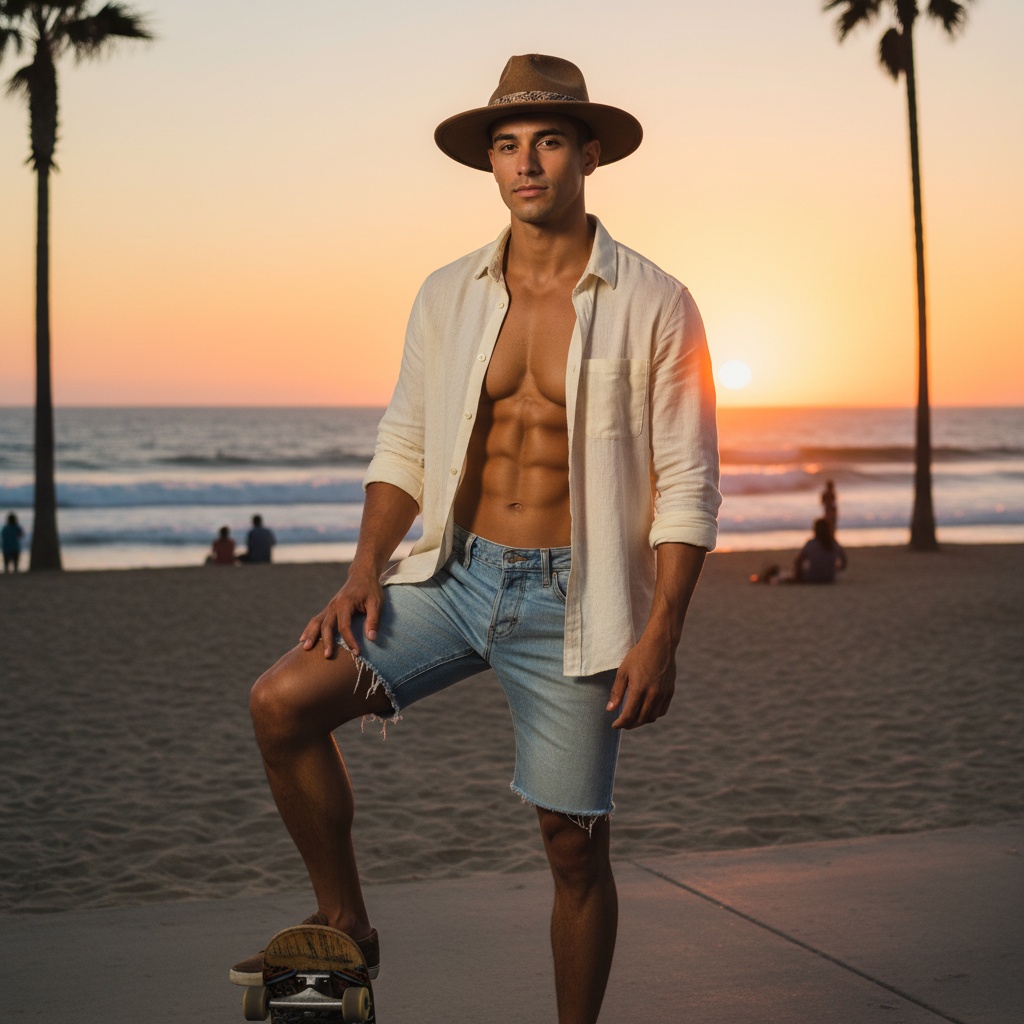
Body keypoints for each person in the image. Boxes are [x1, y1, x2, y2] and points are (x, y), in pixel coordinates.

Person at [230, 54, 721, 1024]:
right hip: (454, 575)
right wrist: (363, 569)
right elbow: (405, 439)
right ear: (490, 164)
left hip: (582, 604)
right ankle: (347, 930)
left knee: (571, 844)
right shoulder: (448, 293)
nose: (525, 163)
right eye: (506, 145)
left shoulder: (656, 300)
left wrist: (662, 629)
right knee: (282, 703)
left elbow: (686, 479)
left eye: (545, 141)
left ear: (587, 154)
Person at [794, 517, 847, 583]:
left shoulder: (811, 543)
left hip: (812, 578)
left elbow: (798, 561)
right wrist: (834, 568)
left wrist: (799, 575)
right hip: (829, 578)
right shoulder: (834, 544)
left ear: (815, 529)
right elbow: (844, 563)